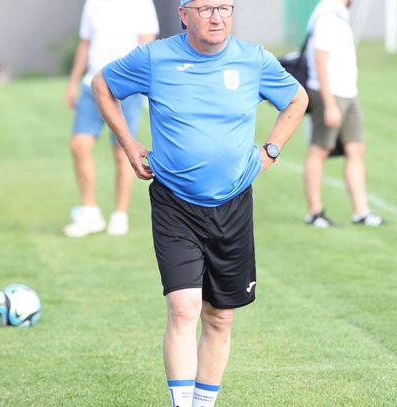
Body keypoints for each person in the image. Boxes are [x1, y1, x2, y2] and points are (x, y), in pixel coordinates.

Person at [92, 0, 308, 405]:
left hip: (233, 203)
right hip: (175, 203)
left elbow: (297, 100)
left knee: (220, 316)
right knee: (184, 307)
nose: (217, 17)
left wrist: (271, 150)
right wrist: (128, 144)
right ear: (184, 14)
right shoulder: (155, 58)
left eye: (224, 8)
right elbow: (102, 86)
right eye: (206, 8)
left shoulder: (253, 59)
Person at [63, 0, 159, 237]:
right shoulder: (93, 3)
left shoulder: (141, 4)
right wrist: (73, 81)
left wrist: (140, 83)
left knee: (122, 151)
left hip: (124, 88)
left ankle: (120, 214)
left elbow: (146, 44)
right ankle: (90, 212)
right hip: (91, 85)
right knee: (79, 145)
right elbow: (86, 43)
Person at [303, 0, 384, 227]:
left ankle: (361, 212)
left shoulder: (339, 13)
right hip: (330, 93)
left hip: (349, 92)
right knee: (319, 150)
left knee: (355, 148)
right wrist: (329, 104)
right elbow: (320, 61)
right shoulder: (327, 15)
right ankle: (315, 213)